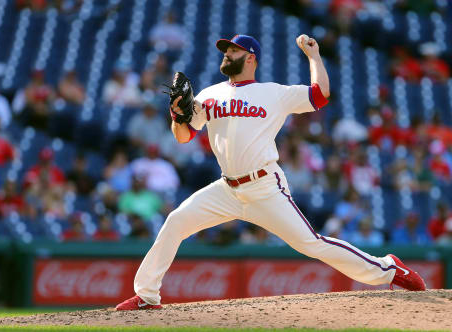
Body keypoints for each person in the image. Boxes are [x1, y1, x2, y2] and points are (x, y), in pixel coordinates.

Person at [116, 34, 426, 311]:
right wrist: (176, 113)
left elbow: (320, 95)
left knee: (311, 243)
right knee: (176, 221)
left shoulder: (273, 93)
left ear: (251, 58)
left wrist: (314, 56)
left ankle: (389, 269)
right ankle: (147, 296)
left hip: (264, 187)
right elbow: (183, 136)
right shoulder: (209, 95)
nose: (226, 54)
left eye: (233, 51)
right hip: (226, 189)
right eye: (225, 50)